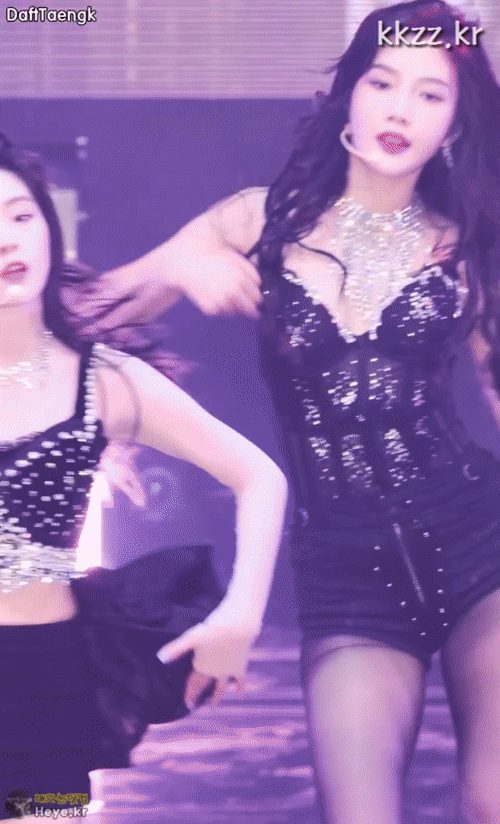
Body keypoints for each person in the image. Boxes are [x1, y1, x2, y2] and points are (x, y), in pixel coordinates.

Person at [91, 2, 500, 822]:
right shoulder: (258, 219)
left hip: (479, 546)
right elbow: (91, 313)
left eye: (429, 94)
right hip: (347, 580)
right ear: (349, 92)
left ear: (454, 123)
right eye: (382, 83)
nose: (398, 109)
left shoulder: (467, 244)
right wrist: (185, 260)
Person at [0, 135, 288, 812]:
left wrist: (240, 617)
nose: (8, 239)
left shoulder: (104, 381)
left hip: (45, 683)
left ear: (49, 227)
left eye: (21, 215)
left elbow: (260, 477)